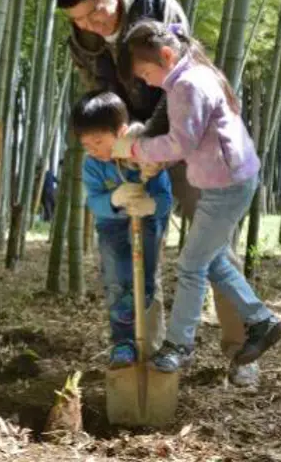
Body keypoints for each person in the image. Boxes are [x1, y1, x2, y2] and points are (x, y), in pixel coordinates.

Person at [54, 0, 260, 386]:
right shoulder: (83, 36)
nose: (90, 24)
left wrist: (150, 141)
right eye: (78, 19)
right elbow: (98, 92)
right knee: (141, 244)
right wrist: (120, 145)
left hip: (189, 142)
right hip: (130, 146)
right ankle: (155, 348)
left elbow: (178, 81)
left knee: (213, 247)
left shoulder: (156, 6)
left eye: (95, 12)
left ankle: (243, 349)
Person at [112, 20, 281, 373]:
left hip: (228, 186)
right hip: (224, 182)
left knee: (191, 265)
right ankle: (261, 320)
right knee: (214, 260)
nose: (146, 81)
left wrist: (136, 146)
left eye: (146, 73)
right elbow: (186, 140)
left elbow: (180, 142)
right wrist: (153, 157)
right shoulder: (189, 74)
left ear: (165, 55)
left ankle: (179, 345)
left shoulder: (188, 85)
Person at [72, 91, 172, 368]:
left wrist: (150, 204)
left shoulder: (146, 156)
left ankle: (150, 339)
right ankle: (123, 344)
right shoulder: (92, 165)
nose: (93, 149)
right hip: (111, 226)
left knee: (146, 279)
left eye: (99, 141)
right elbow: (94, 202)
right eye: (86, 144)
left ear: (122, 133)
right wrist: (115, 200)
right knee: (116, 280)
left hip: (148, 225)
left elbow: (165, 201)